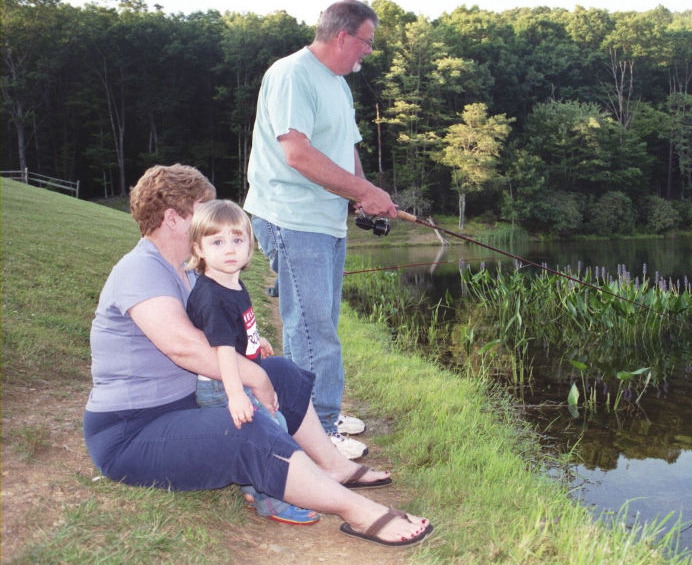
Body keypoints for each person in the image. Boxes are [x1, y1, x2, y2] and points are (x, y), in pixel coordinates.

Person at [83, 164, 432, 547]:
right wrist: (253, 377)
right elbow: (184, 347)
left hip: (180, 406)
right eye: (204, 211)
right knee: (246, 428)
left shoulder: (183, 269)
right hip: (131, 433)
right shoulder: (140, 270)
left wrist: (255, 354)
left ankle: (331, 466)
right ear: (172, 218)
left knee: (280, 371)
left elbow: (214, 328)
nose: (213, 222)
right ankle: (357, 511)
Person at [244, 0, 397, 460]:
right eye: (367, 43)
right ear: (343, 37)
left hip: (326, 221)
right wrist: (362, 192)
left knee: (322, 324)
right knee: (311, 329)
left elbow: (345, 149)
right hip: (292, 217)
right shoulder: (292, 74)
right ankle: (318, 432)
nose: (368, 53)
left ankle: (321, 411)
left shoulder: (338, 85)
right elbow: (298, 153)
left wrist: (363, 192)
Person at [185, 199, 317, 525]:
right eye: (217, 242)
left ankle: (250, 485)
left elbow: (237, 334)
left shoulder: (230, 280)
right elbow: (223, 352)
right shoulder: (212, 295)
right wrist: (236, 395)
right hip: (223, 384)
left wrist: (258, 341)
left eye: (237, 240)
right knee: (273, 430)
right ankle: (271, 501)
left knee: (269, 426)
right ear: (198, 249)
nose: (229, 249)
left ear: (249, 246)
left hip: (236, 377)